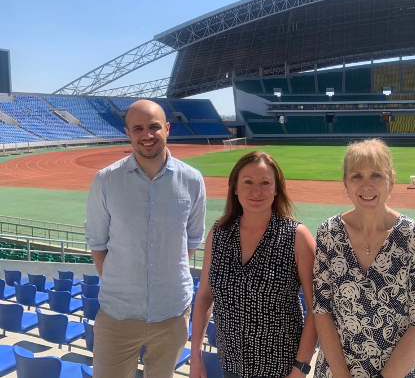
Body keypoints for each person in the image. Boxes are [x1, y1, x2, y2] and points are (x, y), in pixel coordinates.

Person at [85, 99, 206, 378]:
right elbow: (97, 243)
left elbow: (191, 240)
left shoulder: (192, 180)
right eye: (138, 128)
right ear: (128, 133)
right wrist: (122, 285)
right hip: (118, 313)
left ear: (167, 128)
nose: (147, 135)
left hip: (172, 312)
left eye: (154, 127)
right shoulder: (105, 180)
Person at [313, 139, 415, 378]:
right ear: (346, 183)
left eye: (376, 175)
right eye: (356, 176)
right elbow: (322, 311)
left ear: (391, 180)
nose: (367, 185)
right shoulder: (328, 233)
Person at [190, 151, 317, 378]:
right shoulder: (219, 233)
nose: (256, 191)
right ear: (235, 187)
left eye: (265, 183)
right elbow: (204, 296)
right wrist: (196, 355)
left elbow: (315, 309)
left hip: (281, 370)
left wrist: (300, 369)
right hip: (230, 366)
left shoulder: (296, 236)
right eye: (247, 182)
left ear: (276, 189)